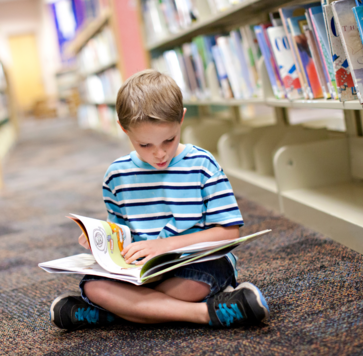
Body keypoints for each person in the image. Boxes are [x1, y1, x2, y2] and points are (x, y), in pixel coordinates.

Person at [50, 70, 269, 330]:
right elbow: (123, 236)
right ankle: (206, 313)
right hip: (142, 272)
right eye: (145, 145)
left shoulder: (202, 165)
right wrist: (102, 240)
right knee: (95, 286)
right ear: (123, 128)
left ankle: (115, 313)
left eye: (169, 140)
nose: (160, 153)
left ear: (181, 119)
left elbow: (229, 232)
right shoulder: (117, 176)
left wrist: (164, 245)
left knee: (192, 287)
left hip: (197, 263)